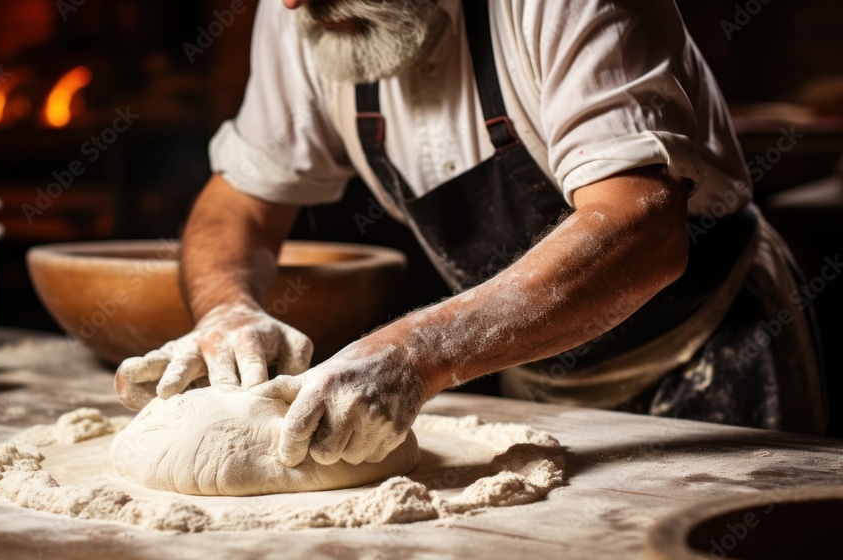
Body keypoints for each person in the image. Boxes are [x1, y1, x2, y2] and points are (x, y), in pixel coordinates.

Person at [115, 0, 828, 468]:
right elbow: (236, 202)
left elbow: (639, 224)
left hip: (711, 351)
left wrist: (415, 353)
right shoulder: (310, 12)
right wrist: (224, 306)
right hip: (529, 368)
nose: (294, 4)